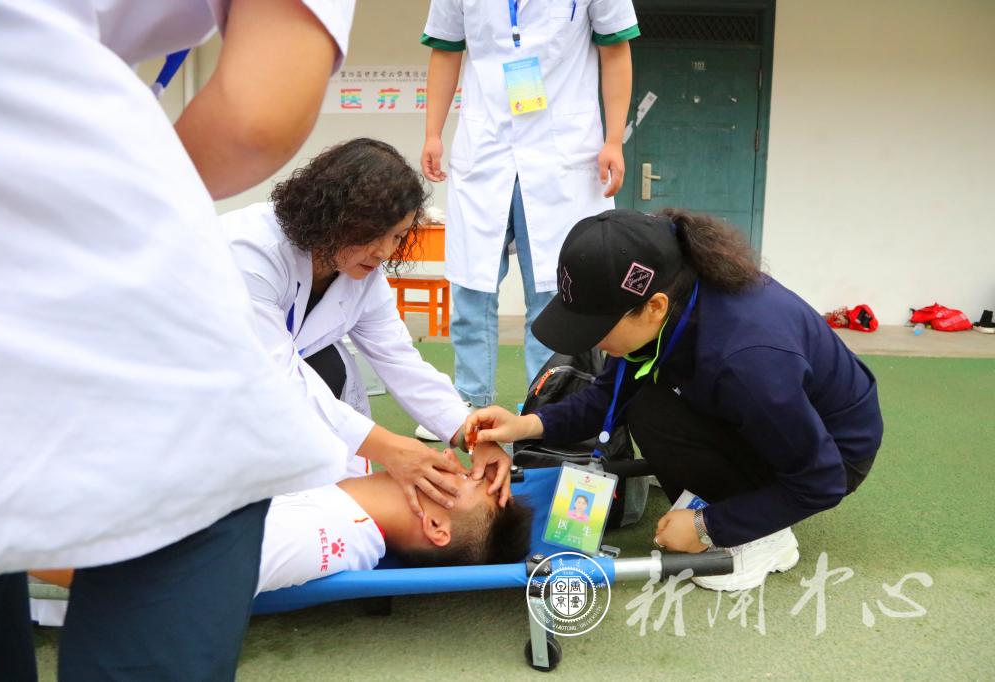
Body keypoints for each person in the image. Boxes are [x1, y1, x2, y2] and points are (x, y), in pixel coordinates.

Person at [0, 1, 357, 679]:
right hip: (121, 334)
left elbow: (391, 354)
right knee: (199, 495)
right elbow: (256, 118)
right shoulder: (250, 246)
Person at [466, 209, 884, 592]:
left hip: (833, 454)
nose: (590, 340)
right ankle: (738, 493)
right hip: (773, 412)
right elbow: (606, 397)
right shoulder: (673, 292)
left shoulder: (746, 362)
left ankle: (766, 539)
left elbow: (822, 480)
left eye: (597, 327)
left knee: (657, 412)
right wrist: (524, 426)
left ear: (654, 307)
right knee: (647, 407)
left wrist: (709, 526)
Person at [219, 138, 513, 510]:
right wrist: (391, 448)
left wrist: (470, 435)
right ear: (329, 215)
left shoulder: (362, 275)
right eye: (373, 234)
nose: (385, 252)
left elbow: (400, 361)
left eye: (398, 236)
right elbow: (274, 378)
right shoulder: (250, 251)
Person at [416, 0, 640, 430]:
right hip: (485, 148)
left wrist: (614, 139)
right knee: (472, 288)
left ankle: (547, 407)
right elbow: (445, 50)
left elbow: (615, 50)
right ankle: (468, 403)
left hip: (563, 152)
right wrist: (432, 132)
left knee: (555, 291)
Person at [29, 453, 534, 625]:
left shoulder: (319, 537)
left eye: (462, 480)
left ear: (436, 528)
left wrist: (2, 543)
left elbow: (151, 579)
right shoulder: (346, 472)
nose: (449, 460)